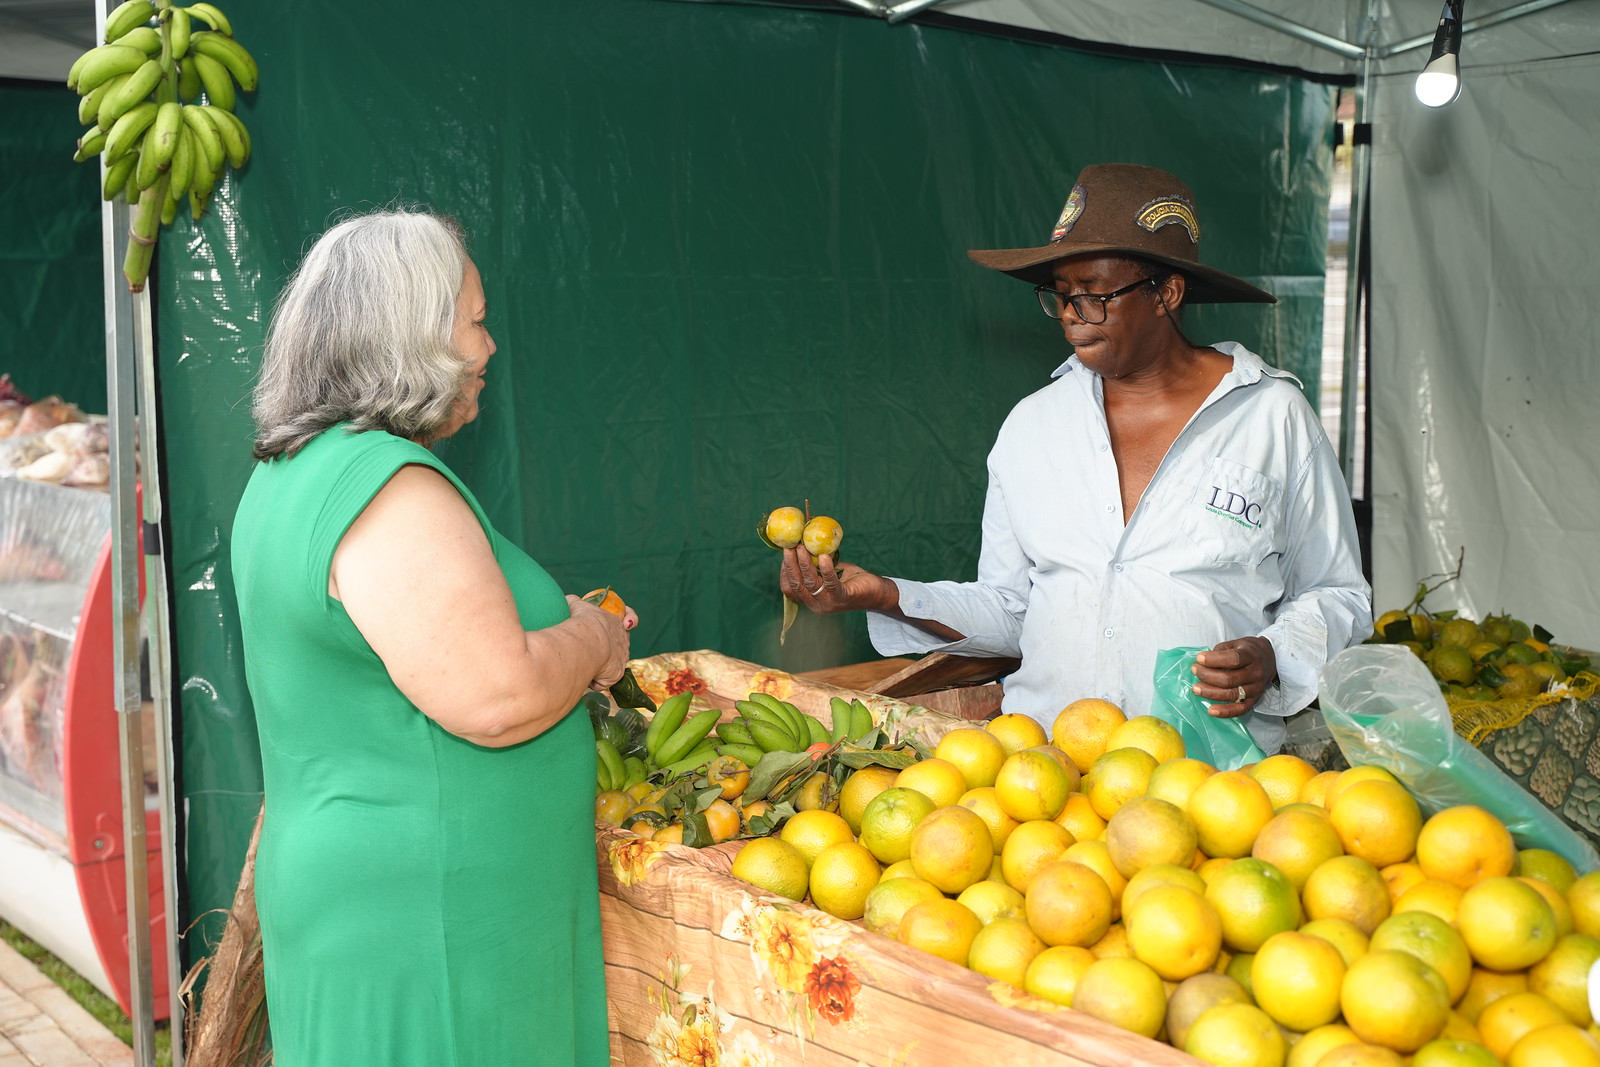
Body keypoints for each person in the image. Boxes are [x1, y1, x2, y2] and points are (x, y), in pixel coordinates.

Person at [780, 163, 1370, 755]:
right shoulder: (1033, 427)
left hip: (1211, 778)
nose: (1069, 313)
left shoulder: (1271, 417)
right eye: (1060, 295)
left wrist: (1272, 655)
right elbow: (1013, 611)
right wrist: (886, 594)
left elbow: (1337, 592)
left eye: (1093, 295)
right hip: (1046, 778)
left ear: (1166, 293)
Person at [231, 208, 627, 1066]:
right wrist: (591, 639)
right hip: (432, 927)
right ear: (409, 335)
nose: (488, 348)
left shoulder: (293, 470)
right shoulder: (389, 489)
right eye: (475, 321)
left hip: (388, 904)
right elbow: (498, 697)